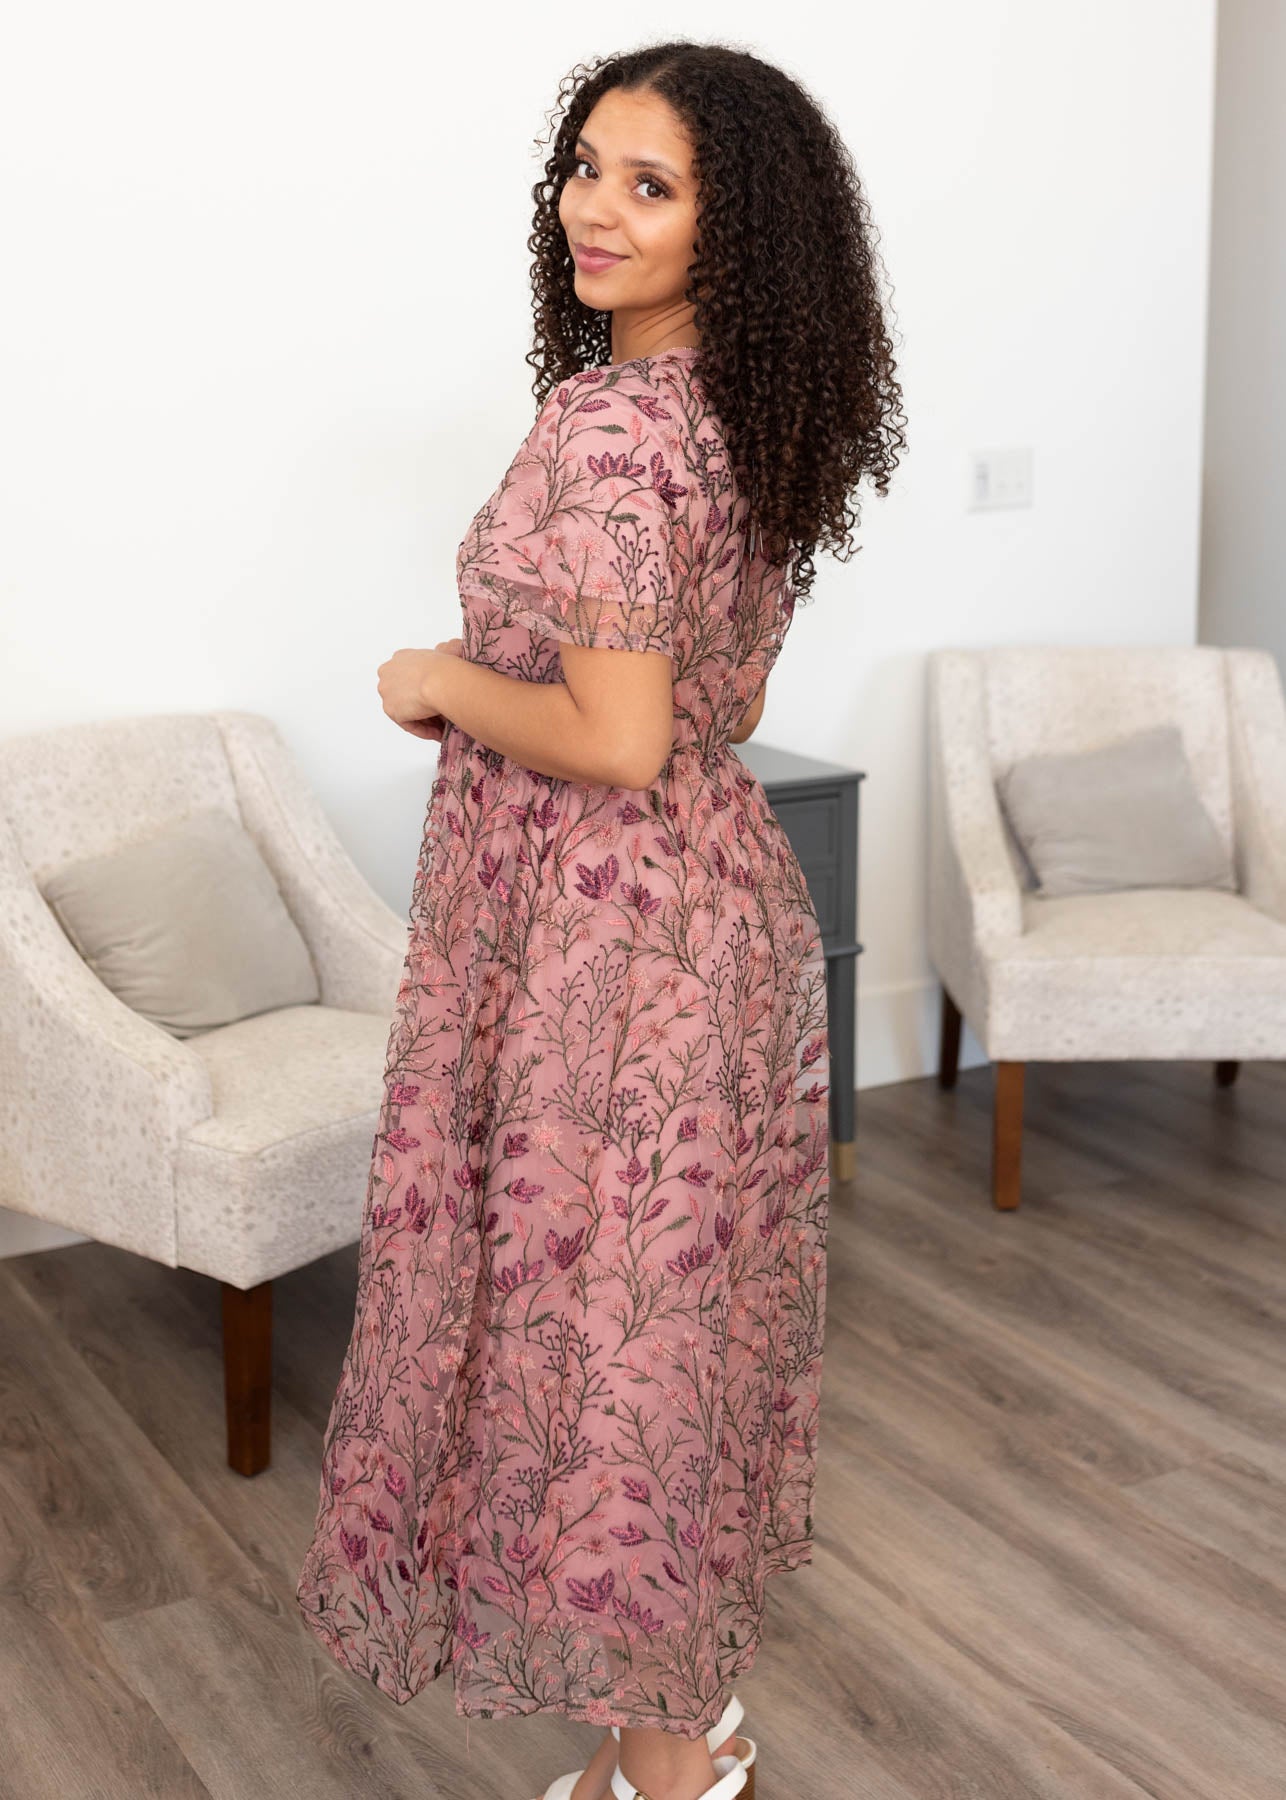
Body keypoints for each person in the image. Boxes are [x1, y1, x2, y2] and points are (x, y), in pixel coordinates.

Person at [295, 37, 906, 1800]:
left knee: (598, 1347)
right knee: (659, 1335)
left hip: (601, 944)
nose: (595, 210)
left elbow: (614, 737)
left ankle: (662, 1767)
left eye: (651, 184)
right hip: (694, 910)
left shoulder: (620, 423)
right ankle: (685, 1720)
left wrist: (436, 677)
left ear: (740, 225)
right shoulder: (737, 400)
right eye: (584, 168)